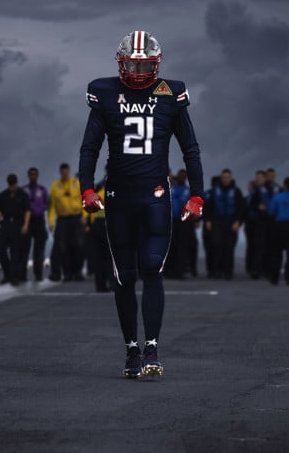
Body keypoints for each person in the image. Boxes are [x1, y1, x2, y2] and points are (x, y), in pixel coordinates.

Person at [78, 30, 204, 378]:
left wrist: (197, 194)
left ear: (156, 63)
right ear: (120, 62)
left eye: (143, 64)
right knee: (124, 275)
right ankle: (131, 349)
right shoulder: (104, 93)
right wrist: (86, 189)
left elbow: (189, 148)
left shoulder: (170, 93)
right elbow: (90, 147)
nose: (136, 70)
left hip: (155, 195)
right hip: (118, 195)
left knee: (152, 268)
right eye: (132, 63)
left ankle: (151, 347)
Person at [203, 169, 244, 280]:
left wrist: (238, 222)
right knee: (217, 246)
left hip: (231, 223)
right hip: (217, 222)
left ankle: (228, 272)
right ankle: (217, 271)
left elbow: (241, 208)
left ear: (230, 178)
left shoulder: (236, 191)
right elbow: (208, 207)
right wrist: (207, 220)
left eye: (227, 177)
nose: (225, 179)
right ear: (221, 178)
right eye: (223, 177)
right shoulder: (214, 191)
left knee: (229, 248)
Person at [48, 163, 85, 282]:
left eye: (66, 171)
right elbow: (52, 206)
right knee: (63, 247)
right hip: (63, 219)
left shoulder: (76, 183)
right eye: (62, 171)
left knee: (78, 245)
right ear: (60, 172)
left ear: (68, 171)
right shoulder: (55, 186)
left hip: (76, 218)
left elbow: (84, 199)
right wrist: (51, 221)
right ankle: (67, 273)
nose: (64, 173)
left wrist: (85, 215)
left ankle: (78, 271)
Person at [0, 174, 32, 285]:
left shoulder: (23, 195)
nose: (12, 186)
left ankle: (14, 276)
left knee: (15, 251)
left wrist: (26, 225)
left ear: (16, 183)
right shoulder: (3, 195)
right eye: (10, 184)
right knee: (0, 249)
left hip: (18, 224)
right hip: (6, 223)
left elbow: (27, 211)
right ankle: (7, 273)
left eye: (14, 184)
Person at [169, 169, 198, 279]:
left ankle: (179, 271)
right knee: (171, 246)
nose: (182, 178)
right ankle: (170, 270)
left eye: (184, 176)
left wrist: (194, 220)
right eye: (180, 176)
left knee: (182, 246)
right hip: (171, 220)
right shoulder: (171, 188)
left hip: (184, 222)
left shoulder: (188, 190)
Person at [84, 180, 113, 292]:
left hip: (95, 227)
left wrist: (88, 225)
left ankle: (100, 285)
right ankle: (112, 283)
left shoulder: (96, 195)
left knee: (98, 258)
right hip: (107, 226)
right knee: (110, 257)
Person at [246, 170, 275, 280]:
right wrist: (258, 206)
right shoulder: (256, 190)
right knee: (258, 246)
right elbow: (250, 204)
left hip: (271, 221)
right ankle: (256, 270)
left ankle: (268, 269)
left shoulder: (275, 188)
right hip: (258, 221)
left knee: (270, 246)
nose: (258, 179)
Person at [23, 167, 49, 281]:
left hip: (39, 221)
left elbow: (47, 204)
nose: (33, 176)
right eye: (31, 174)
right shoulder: (23, 190)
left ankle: (38, 274)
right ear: (28, 176)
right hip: (26, 222)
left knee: (39, 250)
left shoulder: (42, 190)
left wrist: (39, 208)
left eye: (35, 174)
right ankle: (22, 274)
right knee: (24, 249)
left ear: (37, 176)